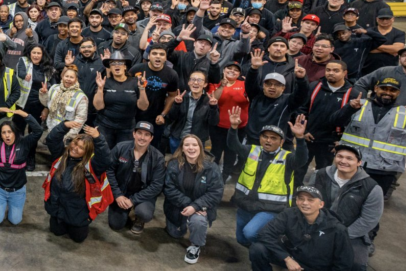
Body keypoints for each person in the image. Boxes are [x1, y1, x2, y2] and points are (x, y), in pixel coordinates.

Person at [227, 109, 309, 247]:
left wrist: (299, 138)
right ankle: (260, 249)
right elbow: (233, 145)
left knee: (250, 233)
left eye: (273, 138)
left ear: (281, 142)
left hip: (271, 208)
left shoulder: (288, 158)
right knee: (242, 239)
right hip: (246, 204)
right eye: (265, 137)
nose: (268, 140)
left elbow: (302, 159)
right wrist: (233, 128)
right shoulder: (252, 150)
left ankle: (275, 246)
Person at [339, 76, 406, 200]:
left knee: (372, 205)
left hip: (384, 171)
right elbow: (335, 121)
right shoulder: (358, 105)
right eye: (383, 89)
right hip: (352, 165)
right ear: (376, 89)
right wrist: (349, 109)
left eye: (392, 90)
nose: (387, 93)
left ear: (398, 93)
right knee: (342, 200)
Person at [308, 144, 383, 271]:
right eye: (340, 156)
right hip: (317, 226)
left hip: (351, 233)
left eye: (349, 158)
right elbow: (307, 200)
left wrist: (341, 235)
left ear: (359, 162)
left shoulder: (372, 188)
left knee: (355, 264)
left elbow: (368, 220)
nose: (343, 161)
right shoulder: (319, 175)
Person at [249, 186, 354, 271]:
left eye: (310, 200)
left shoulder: (337, 228)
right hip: (293, 259)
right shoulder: (289, 214)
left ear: (321, 204)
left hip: (317, 267)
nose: (305, 203)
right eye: (301, 199)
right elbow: (265, 234)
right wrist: (287, 258)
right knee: (258, 249)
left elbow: (344, 263)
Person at [42, 123, 114, 243]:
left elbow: (106, 159)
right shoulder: (62, 156)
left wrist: (98, 138)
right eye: (75, 143)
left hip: (77, 214)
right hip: (57, 209)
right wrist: (64, 126)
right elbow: (51, 140)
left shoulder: (92, 167)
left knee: (78, 238)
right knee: (56, 231)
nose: (75, 148)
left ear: (87, 152)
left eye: (81, 147)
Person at [163, 134, 224, 264]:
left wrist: (196, 207)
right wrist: (190, 205)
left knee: (198, 221)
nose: (191, 148)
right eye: (187, 145)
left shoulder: (211, 167)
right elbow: (169, 189)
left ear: (200, 148)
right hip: (178, 205)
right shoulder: (173, 165)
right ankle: (179, 222)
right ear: (182, 148)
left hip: (201, 208)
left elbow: (216, 192)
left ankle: (195, 246)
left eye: (194, 145)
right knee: (175, 234)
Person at [0, 107, 42, 225]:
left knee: (15, 221)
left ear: (15, 132)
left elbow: (38, 131)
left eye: (10, 132)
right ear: (0, 135)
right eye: (4, 132)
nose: (7, 135)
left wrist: (25, 115)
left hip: (17, 191)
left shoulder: (24, 142)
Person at [106, 122, 166, 235]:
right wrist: (117, 194)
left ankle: (139, 218)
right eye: (139, 133)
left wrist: (133, 200)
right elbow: (109, 171)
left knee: (144, 213)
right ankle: (125, 211)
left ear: (151, 138)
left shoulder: (158, 158)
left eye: (146, 134)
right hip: (122, 192)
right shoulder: (120, 148)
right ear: (134, 134)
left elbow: (157, 186)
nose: (142, 137)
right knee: (116, 225)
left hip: (143, 195)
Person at [93, 51, 149, 147]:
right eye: (113, 63)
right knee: (104, 154)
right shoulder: (104, 82)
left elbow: (143, 107)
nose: (116, 65)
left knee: (123, 155)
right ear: (109, 67)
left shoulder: (135, 82)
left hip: (127, 128)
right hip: (105, 126)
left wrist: (142, 89)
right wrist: (100, 88)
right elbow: (98, 106)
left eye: (120, 63)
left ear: (125, 66)